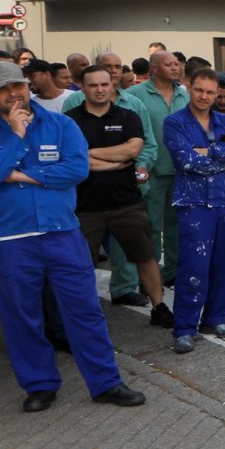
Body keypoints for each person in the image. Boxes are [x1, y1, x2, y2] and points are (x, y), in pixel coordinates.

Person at [0, 59, 144, 412]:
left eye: (17, 85)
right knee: (22, 315)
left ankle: (106, 382)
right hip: (9, 238)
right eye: (3, 90)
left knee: (85, 310)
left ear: (27, 84)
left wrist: (21, 175)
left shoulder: (62, 124)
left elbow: (76, 169)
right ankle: (40, 385)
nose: (13, 94)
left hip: (61, 232)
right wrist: (16, 137)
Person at [160, 67, 225, 353]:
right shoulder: (174, 123)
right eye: (199, 90)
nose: (204, 96)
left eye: (210, 92)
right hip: (194, 204)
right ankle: (185, 328)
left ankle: (215, 319)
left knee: (224, 264)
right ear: (189, 87)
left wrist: (207, 152)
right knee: (194, 266)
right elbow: (186, 161)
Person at [71, 65, 169, 326]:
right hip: (84, 205)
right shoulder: (69, 120)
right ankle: (84, 316)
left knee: (145, 256)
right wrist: (114, 160)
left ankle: (159, 307)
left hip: (126, 202)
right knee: (81, 265)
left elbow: (134, 148)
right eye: (93, 85)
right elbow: (74, 159)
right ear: (83, 87)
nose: (100, 89)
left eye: (105, 84)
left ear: (112, 85)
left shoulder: (128, 116)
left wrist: (91, 153)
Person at [116, 48, 188, 295]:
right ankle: (150, 278)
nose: (175, 68)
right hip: (151, 172)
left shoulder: (184, 94)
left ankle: (174, 273)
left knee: (176, 226)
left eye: (177, 64)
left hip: (181, 172)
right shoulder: (134, 96)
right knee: (150, 228)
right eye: (169, 64)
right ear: (154, 68)